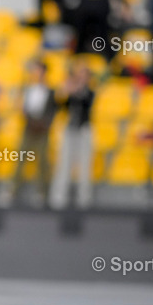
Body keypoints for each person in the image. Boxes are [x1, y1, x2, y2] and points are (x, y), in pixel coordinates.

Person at [10, 60, 56, 206]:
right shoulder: (28, 89)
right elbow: (23, 108)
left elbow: (52, 110)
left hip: (42, 129)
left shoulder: (50, 91)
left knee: (42, 160)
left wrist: (44, 123)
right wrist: (30, 120)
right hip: (29, 127)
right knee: (21, 158)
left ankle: (42, 192)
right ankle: (13, 190)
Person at [49, 61, 94, 209]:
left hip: (84, 130)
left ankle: (84, 199)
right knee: (64, 164)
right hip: (70, 129)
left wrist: (76, 90)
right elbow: (61, 106)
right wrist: (66, 91)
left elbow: (87, 103)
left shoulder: (89, 92)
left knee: (84, 166)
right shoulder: (72, 91)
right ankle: (58, 198)